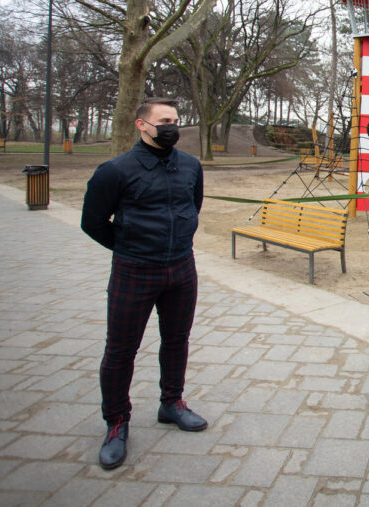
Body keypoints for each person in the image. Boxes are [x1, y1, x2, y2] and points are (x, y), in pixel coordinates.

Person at [81, 97, 208, 470]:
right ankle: (116, 422)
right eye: (163, 120)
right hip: (133, 271)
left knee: (176, 340)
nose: (172, 126)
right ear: (141, 125)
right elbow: (93, 222)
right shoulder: (115, 170)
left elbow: (193, 206)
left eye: (175, 119)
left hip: (182, 270)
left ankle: (172, 403)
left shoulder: (190, 166)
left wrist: (176, 242)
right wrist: (131, 247)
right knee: (121, 351)